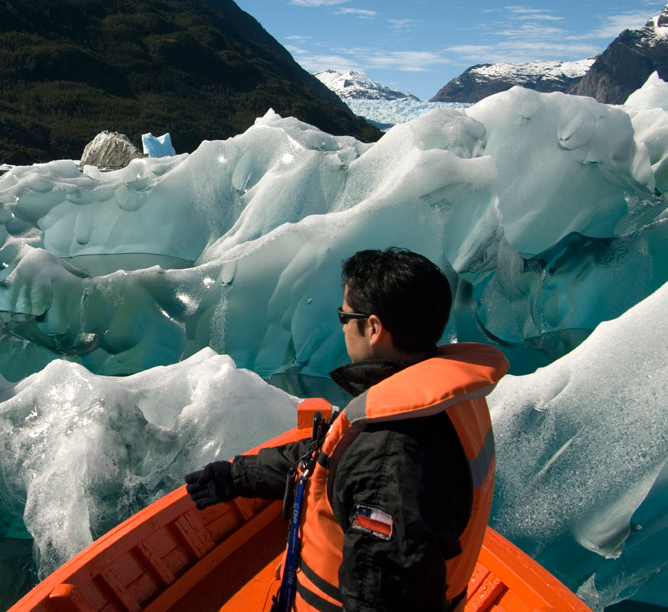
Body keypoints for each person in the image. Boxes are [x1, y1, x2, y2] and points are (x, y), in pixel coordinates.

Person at [184, 248, 509, 611]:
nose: (340, 325)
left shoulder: (388, 457)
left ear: (373, 328)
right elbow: (323, 457)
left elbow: (383, 596)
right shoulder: (446, 403)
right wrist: (239, 475)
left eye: (344, 315)